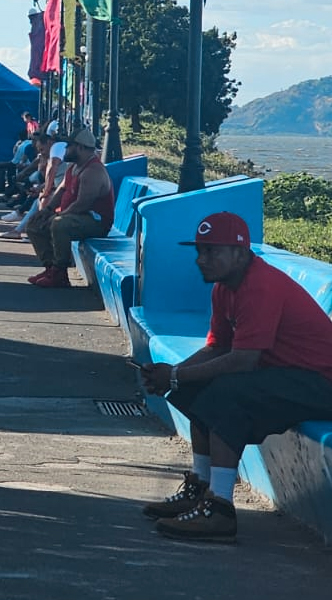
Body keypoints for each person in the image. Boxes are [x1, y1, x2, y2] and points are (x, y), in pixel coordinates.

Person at [140, 211, 332, 543]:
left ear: (240, 253)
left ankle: (220, 509)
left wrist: (174, 374)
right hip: (284, 375)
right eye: (199, 251)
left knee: (226, 394)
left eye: (212, 251)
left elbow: (243, 361)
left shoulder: (261, 285)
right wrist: (173, 375)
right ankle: (199, 488)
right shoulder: (224, 287)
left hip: (320, 382)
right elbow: (216, 348)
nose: (202, 260)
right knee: (194, 387)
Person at [24, 126, 114, 288]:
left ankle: (60, 272)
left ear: (79, 147)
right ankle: (50, 267)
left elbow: (82, 204)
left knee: (59, 224)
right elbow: (62, 190)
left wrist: (58, 216)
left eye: (69, 146)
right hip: (74, 216)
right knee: (34, 224)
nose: (65, 149)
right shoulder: (74, 167)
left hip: (95, 222)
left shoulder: (93, 171)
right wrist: (47, 210)